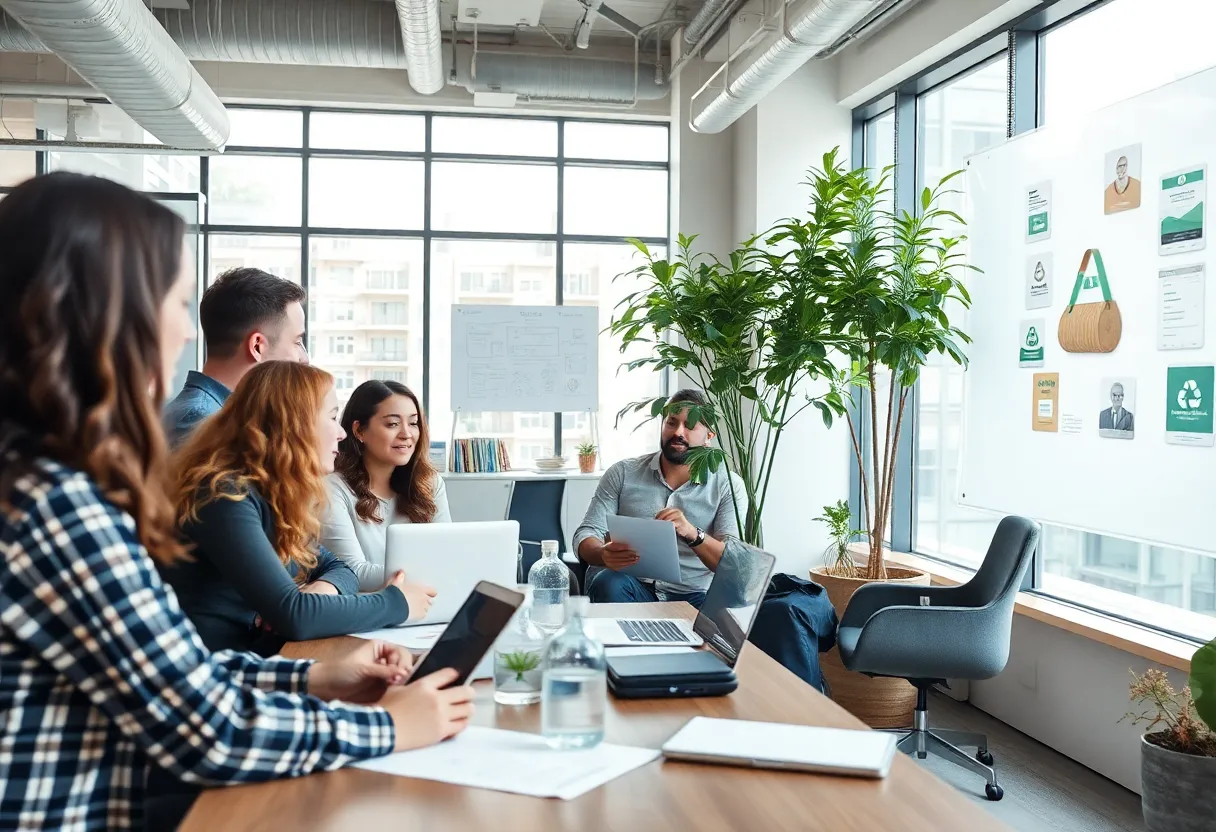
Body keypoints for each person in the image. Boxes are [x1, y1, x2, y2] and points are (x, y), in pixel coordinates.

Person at [0, 172, 473, 831]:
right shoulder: (55, 507)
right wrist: (390, 727)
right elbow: (207, 729)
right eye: (173, 299)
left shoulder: (32, 480)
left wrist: (313, 681)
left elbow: (178, 674)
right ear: (112, 317)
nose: (180, 329)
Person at [573, 389, 838, 693]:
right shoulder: (623, 473)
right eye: (672, 423)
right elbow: (584, 534)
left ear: (709, 435)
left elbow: (734, 565)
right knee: (609, 581)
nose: (678, 432)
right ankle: (627, 682)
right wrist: (602, 554)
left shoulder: (727, 483)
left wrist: (694, 534)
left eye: (690, 425)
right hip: (634, 588)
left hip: (696, 598)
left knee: (742, 625)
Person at [164, 363, 435, 655]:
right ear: (294, 424)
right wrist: (397, 603)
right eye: (332, 417)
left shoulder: (270, 492)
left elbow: (338, 569)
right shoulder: (223, 495)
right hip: (217, 672)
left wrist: (320, 591)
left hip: (252, 659)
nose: (341, 433)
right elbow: (296, 617)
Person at [321, 380, 452, 591]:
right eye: (392, 424)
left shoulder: (430, 483)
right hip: (365, 614)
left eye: (413, 423)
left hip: (426, 607)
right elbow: (351, 572)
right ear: (359, 431)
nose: (407, 434)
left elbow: (448, 555)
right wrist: (431, 573)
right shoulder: (332, 488)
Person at [162, 266, 308, 446]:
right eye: (297, 341)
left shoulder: (218, 415)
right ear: (257, 346)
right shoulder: (203, 423)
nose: (304, 358)